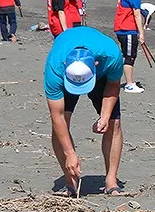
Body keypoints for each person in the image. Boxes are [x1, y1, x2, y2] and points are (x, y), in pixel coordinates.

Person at [43, 27, 126, 196]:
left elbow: (113, 85)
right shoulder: (55, 68)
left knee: (114, 123)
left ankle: (111, 181)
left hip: (101, 76)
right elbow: (57, 116)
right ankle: (71, 183)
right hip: (64, 74)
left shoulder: (111, 55)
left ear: (96, 64)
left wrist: (105, 116)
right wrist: (70, 153)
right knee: (61, 126)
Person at [113, 0, 146, 93]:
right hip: (126, 30)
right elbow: (137, 14)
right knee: (129, 57)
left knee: (129, 56)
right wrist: (141, 33)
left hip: (124, 29)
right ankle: (129, 84)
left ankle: (129, 82)